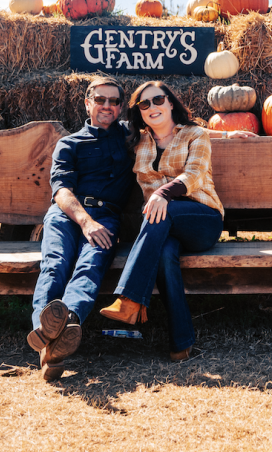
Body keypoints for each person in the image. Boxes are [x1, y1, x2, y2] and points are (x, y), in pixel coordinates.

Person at [100, 80, 229, 361]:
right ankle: (181, 341)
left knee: (161, 208)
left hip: (202, 219)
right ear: (140, 113)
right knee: (165, 252)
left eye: (158, 100)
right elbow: (102, 132)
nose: (152, 107)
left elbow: (194, 173)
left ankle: (130, 298)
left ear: (170, 102)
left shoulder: (194, 134)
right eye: (144, 104)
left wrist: (162, 193)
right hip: (162, 226)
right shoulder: (137, 142)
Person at [28, 76, 133, 382]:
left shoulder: (130, 137)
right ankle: (47, 333)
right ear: (88, 103)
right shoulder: (69, 143)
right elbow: (61, 191)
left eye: (114, 101)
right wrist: (85, 222)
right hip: (67, 213)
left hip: (107, 217)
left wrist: (228, 132)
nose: (107, 106)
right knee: (55, 265)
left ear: (121, 107)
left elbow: (174, 127)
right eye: (100, 100)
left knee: (91, 265)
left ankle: (65, 326)